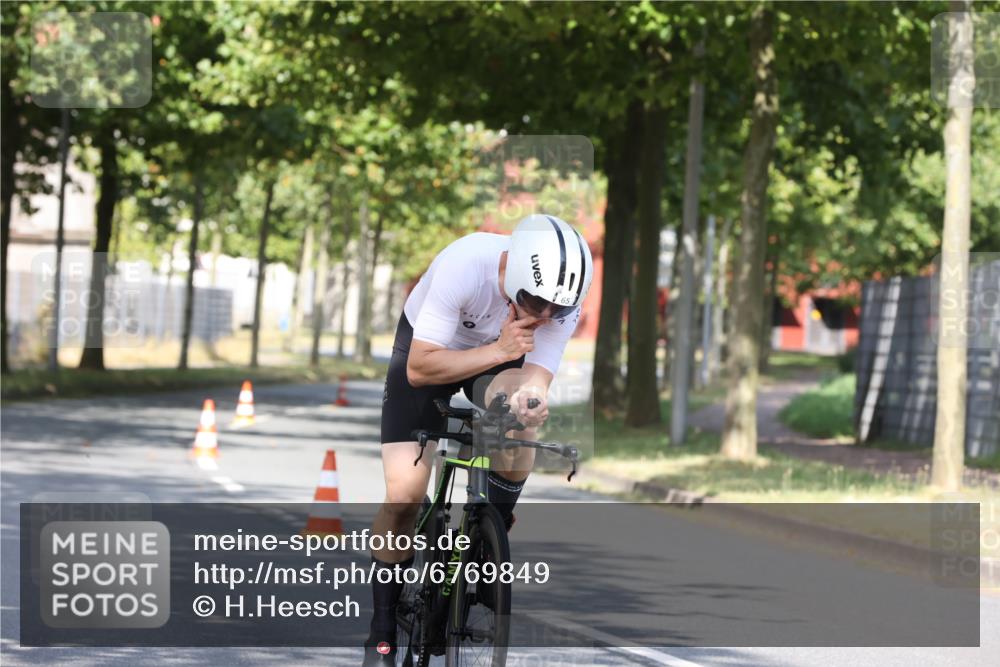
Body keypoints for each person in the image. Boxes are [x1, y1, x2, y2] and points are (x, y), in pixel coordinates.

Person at [362, 213, 594, 665]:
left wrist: (531, 398)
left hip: (497, 361)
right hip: (428, 354)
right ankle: (382, 630)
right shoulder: (466, 264)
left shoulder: (564, 299)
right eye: (534, 301)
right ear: (516, 275)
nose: (544, 316)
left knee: (520, 418)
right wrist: (500, 349)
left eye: (557, 312)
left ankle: (489, 539)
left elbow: (534, 379)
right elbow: (420, 369)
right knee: (404, 496)